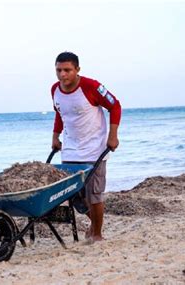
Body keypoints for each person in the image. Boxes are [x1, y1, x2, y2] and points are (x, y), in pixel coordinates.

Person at [50, 51, 121, 242]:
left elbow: (115, 106)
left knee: (94, 194)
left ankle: (97, 234)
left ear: (77, 69)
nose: (63, 75)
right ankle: (94, 224)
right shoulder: (55, 89)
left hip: (94, 149)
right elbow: (60, 113)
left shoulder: (91, 86)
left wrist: (112, 136)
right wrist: (55, 137)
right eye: (59, 70)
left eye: (67, 70)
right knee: (74, 197)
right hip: (70, 150)